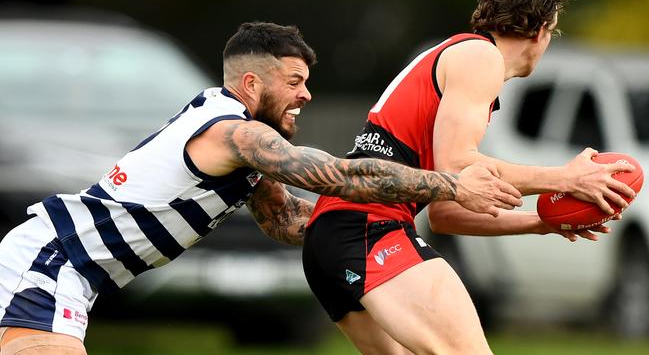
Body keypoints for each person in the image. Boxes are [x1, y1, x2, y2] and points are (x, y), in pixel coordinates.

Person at [0, 22, 523, 355]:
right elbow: (344, 175)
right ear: (252, 85)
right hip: (50, 262)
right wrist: (451, 184)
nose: (306, 93)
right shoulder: (239, 134)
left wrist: (350, 231)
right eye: (293, 81)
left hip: (66, 271)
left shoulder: (235, 145)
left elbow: (286, 220)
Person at [302, 0, 638, 354]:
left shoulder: (462, 58)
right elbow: (459, 166)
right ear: (541, 30)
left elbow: (447, 213)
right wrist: (567, 178)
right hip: (368, 227)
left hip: (333, 235)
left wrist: (539, 223)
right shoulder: (481, 57)